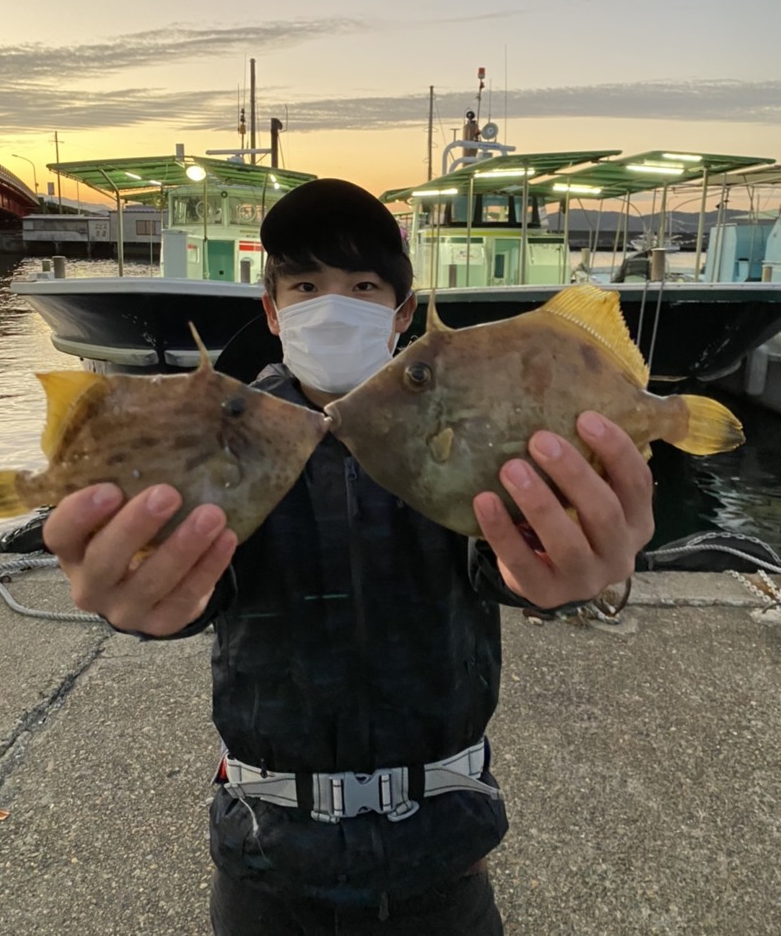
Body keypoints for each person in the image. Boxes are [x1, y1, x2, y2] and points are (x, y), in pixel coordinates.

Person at [45, 179, 655, 935]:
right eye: (305, 285)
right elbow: (200, 578)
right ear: (272, 310)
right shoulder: (231, 430)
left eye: (363, 285)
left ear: (403, 314)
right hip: (267, 861)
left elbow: (505, 560)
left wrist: (577, 574)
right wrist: (141, 594)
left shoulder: (457, 420)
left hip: (443, 858)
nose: (332, 304)